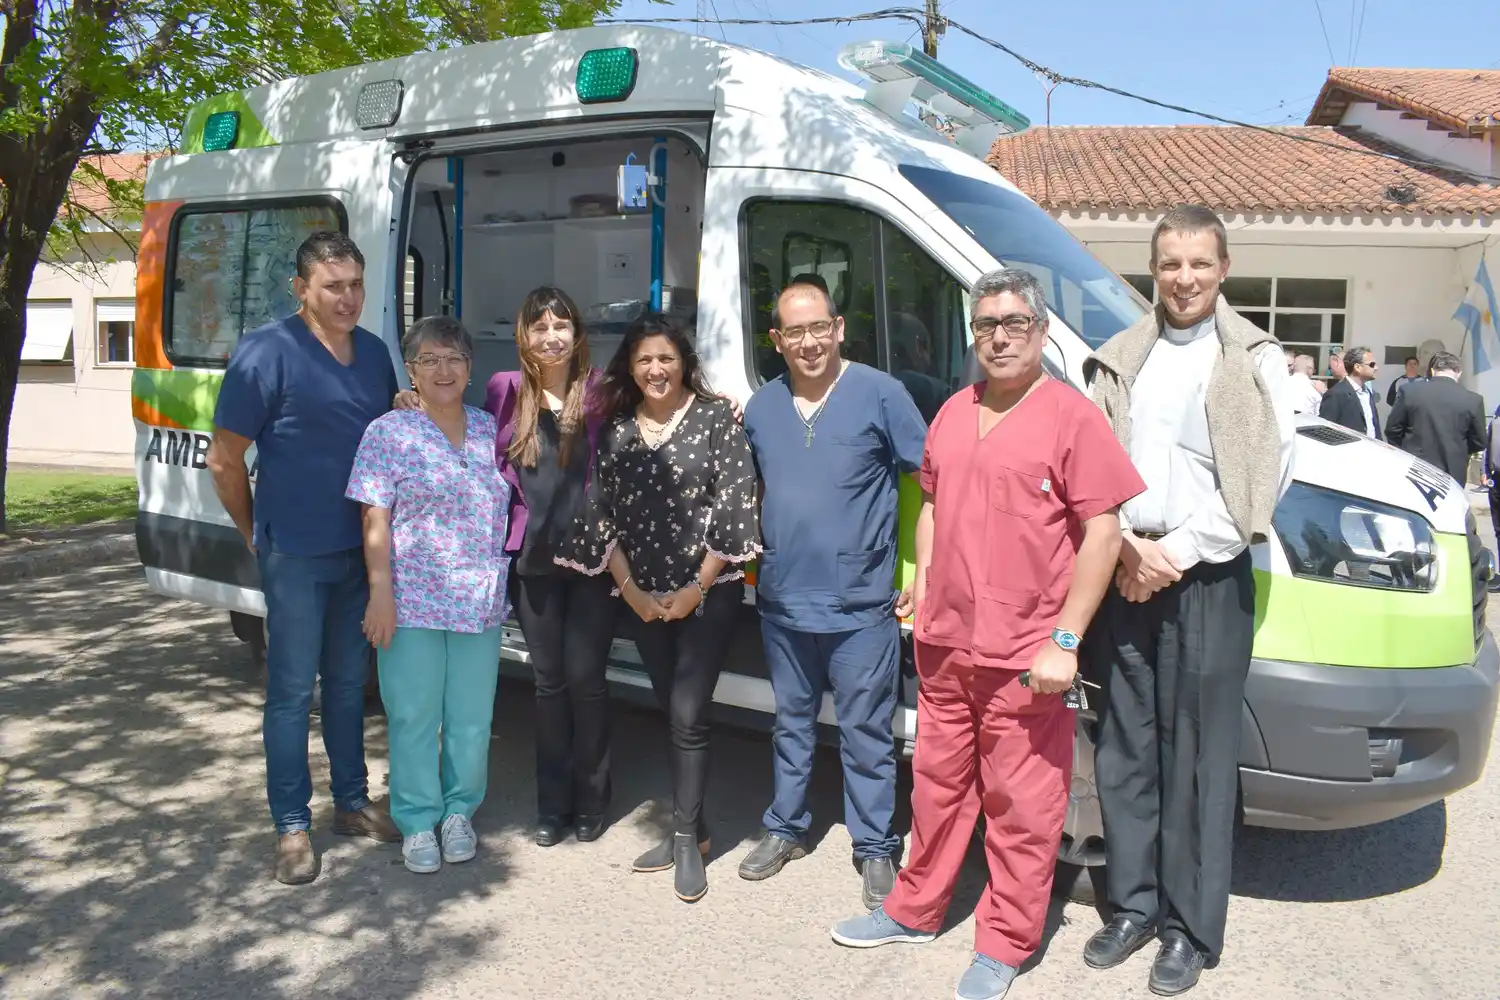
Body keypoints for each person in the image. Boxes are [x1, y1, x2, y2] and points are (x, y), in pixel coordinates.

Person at [829, 268, 1145, 1000]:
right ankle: (914, 909)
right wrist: (928, 581)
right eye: (985, 325)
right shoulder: (952, 410)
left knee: (1022, 809)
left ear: (1038, 331)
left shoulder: (1069, 416)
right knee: (937, 790)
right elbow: (934, 503)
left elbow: (1102, 534)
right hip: (946, 646)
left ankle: (1004, 944)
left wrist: (1065, 641)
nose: (998, 338)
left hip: (1026, 656)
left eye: (1013, 324)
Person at [1080, 205, 1294, 995]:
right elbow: (1097, 463)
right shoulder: (1123, 357)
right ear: (1153, 269)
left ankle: (1189, 929)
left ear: (1223, 268)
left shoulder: (1253, 361)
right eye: (1170, 263)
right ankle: (1132, 907)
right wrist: (1130, 548)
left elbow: (1263, 478)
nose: (1184, 278)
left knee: (1197, 758)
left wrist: (1172, 552)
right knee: (1127, 746)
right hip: (1128, 567)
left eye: (1199, 263)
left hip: (1205, 572)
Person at [206, 231, 401, 886]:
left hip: (359, 553)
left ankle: (351, 803)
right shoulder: (266, 354)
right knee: (292, 693)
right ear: (301, 289)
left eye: (355, 285)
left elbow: (387, 441)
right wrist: (249, 529)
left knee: (349, 687)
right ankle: (291, 825)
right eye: (332, 286)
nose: (347, 298)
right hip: (293, 552)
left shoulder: (374, 356)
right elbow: (225, 458)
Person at [554, 313, 760, 903]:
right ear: (631, 367)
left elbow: (735, 506)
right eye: (644, 359)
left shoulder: (718, 418)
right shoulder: (619, 432)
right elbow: (602, 518)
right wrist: (634, 594)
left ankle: (686, 832)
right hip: (645, 601)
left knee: (691, 712)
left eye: (666, 357)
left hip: (706, 596)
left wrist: (696, 588)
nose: (655, 369)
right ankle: (688, 834)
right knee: (672, 710)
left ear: (683, 361)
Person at [737, 279, 927, 908]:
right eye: (795, 331)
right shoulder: (761, 407)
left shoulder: (882, 395)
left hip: (859, 605)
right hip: (784, 603)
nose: (810, 342)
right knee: (789, 725)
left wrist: (923, 573)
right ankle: (785, 828)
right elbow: (756, 489)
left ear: (839, 327)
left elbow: (934, 487)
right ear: (777, 340)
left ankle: (875, 846)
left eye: (819, 327)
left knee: (866, 731)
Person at [346, 316, 511, 873]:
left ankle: (458, 812)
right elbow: (375, 516)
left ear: (470, 369)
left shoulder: (491, 430)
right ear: (412, 372)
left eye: (454, 359)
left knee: (470, 717)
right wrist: (379, 593)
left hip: (478, 600)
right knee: (414, 714)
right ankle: (417, 819)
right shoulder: (388, 432)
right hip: (410, 600)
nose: (443, 370)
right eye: (429, 360)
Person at [1385, 351, 1487, 486]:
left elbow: (1393, 429)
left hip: (1414, 467)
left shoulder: (1409, 391)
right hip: (1453, 470)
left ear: (1432, 371)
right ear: (1458, 372)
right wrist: (1457, 449)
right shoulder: (1474, 400)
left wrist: (1407, 450)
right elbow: (1479, 441)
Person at [1320, 345, 1382, 439]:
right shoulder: (1336, 393)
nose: (1376, 368)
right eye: (1372, 364)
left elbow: (1373, 426)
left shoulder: (1367, 392)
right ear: (1357, 367)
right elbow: (1326, 430)